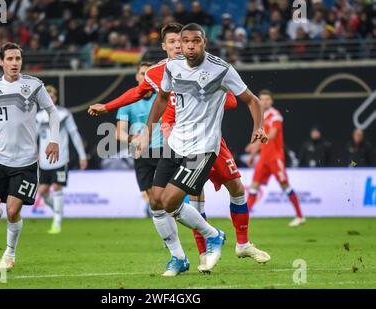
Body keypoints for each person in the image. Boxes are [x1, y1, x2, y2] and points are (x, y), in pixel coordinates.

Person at [89, 23, 270, 273]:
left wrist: (254, 124)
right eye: (179, 42)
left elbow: (243, 100)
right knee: (158, 201)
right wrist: (143, 130)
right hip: (175, 144)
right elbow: (152, 96)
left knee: (217, 190)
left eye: (191, 41)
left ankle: (226, 239)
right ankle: (183, 257)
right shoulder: (166, 69)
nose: (184, 46)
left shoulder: (220, 69)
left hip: (206, 145)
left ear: (203, 41)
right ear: (168, 46)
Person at [0, 42, 60, 270]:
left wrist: (53, 140)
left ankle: (9, 254)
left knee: (14, 210)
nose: (15, 63)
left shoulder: (34, 85)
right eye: (10, 59)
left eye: (18, 58)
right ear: (1, 62)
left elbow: (52, 111)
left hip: (26, 162)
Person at [246, 90, 305, 227]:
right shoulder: (261, 117)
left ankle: (300, 216)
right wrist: (253, 154)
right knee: (254, 186)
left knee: (285, 186)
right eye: (261, 99)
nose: (264, 102)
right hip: (263, 158)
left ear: (271, 101)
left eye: (267, 99)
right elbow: (263, 139)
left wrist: (254, 144)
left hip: (275, 158)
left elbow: (272, 135)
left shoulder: (276, 116)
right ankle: (245, 215)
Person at [36, 85, 87, 234]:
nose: (49, 99)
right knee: (43, 192)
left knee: (57, 187)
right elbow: (33, 137)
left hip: (61, 159)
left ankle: (57, 221)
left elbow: (74, 135)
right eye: (47, 96)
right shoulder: (38, 117)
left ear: (56, 98)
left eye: (52, 96)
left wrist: (82, 156)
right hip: (44, 162)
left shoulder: (64, 114)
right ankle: (59, 211)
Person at [115, 62, 160, 215]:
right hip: (141, 152)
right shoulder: (128, 102)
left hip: (164, 150)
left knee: (166, 194)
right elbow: (118, 133)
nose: (146, 77)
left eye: (149, 74)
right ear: (137, 76)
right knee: (151, 196)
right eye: (142, 73)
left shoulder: (163, 97)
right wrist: (132, 138)